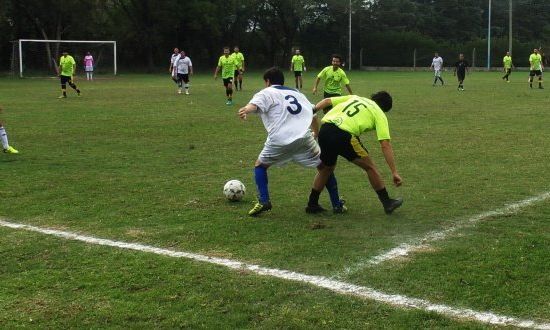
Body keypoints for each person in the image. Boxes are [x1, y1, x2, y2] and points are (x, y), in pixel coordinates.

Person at [238, 67, 345, 216]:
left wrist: (246, 110)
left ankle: (264, 201)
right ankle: (337, 204)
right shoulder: (297, 93)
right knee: (325, 168)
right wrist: (315, 132)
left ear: (268, 81)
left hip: (279, 140)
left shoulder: (267, 92)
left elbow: (255, 105)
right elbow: (313, 114)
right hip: (304, 138)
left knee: (260, 166)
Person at [306, 92, 403, 215]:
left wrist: (312, 110)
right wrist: (394, 172)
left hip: (325, 130)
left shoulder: (356, 97)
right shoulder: (379, 113)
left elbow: (327, 101)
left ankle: (312, 204)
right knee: (370, 168)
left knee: (326, 169)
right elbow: (385, 144)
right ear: (385, 109)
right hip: (344, 135)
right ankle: (387, 202)